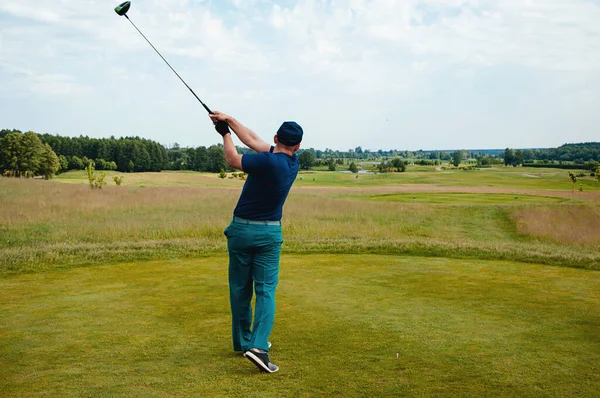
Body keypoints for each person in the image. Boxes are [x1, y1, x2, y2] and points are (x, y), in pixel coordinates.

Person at [209, 111, 303, 373]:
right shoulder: (293, 162)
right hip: (269, 234)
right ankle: (257, 346)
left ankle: (244, 342)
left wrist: (225, 133)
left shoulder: (267, 161)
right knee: (265, 290)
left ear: (276, 138)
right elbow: (252, 139)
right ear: (297, 146)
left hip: (240, 230)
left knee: (240, 288)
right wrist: (229, 120)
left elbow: (233, 159)